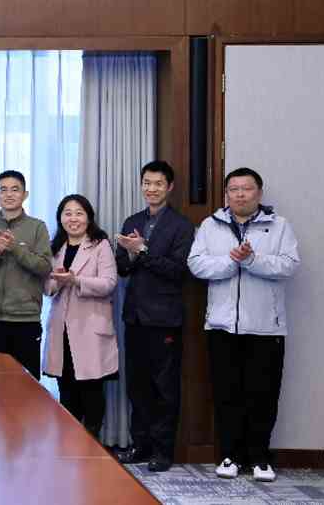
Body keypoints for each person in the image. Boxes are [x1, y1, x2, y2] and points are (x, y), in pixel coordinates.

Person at [188, 167, 299, 483]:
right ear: (226, 194)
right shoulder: (210, 225)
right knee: (227, 395)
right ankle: (230, 456)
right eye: (233, 189)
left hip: (266, 327)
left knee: (263, 395)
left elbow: (289, 265)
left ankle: (260, 458)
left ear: (259, 193)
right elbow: (196, 264)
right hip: (222, 327)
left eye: (246, 188)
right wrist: (232, 261)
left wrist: (252, 261)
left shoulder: (278, 225)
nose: (239, 194)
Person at [114, 160, 196, 473]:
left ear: (169, 187)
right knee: (137, 386)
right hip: (134, 316)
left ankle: (163, 451)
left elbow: (178, 271)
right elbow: (122, 268)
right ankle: (140, 445)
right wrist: (131, 253)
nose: (151, 189)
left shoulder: (182, 225)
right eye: (147, 183)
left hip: (164, 318)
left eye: (158, 183)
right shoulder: (132, 220)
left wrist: (143, 251)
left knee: (164, 388)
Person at [42, 194, 118, 438]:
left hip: (90, 330)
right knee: (67, 392)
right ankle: (69, 445)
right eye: (67, 213)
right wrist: (58, 281)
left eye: (79, 213)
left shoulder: (100, 245)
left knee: (91, 392)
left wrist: (76, 280)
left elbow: (109, 283)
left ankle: (91, 445)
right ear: (60, 218)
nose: (73, 218)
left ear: (88, 218)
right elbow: (47, 288)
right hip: (61, 330)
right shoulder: (55, 247)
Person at [0, 170, 52, 378]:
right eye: (3, 190)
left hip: (26, 318)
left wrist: (15, 248)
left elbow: (44, 267)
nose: (9, 194)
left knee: (27, 382)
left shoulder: (37, 227)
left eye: (15, 189)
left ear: (25, 194)